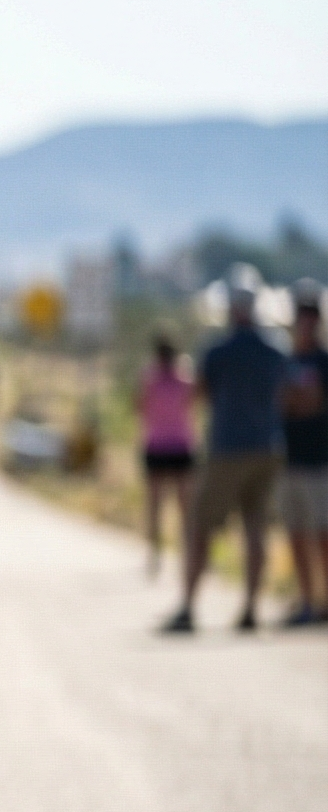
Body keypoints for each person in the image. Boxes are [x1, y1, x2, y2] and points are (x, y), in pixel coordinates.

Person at [162, 268, 288, 634]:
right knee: (256, 530)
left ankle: (188, 606)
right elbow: (285, 394)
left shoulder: (217, 351)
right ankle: (250, 607)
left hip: (228, 449)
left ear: (232, 308)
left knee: (200, 526)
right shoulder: (275, 349)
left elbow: (198, 395)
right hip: (268, 447)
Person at [277, 281, 327, 627]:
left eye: (310, 316)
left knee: (323, 533)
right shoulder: (286, 359)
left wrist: (295, 401)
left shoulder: (323, 361)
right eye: (300, 316)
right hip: (287, 456)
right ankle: (307, 600)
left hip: (318, 459)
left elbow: (312, 402)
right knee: (295, 533)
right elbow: (279, 400)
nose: (304, 322)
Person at [136, 332, 196, 579]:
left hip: (159, 445)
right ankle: (184, 554)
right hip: (178, 445)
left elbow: (138, 407)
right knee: (182, 505)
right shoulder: (185, 378)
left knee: (156, 504)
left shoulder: (149, 378)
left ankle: (157, 554)